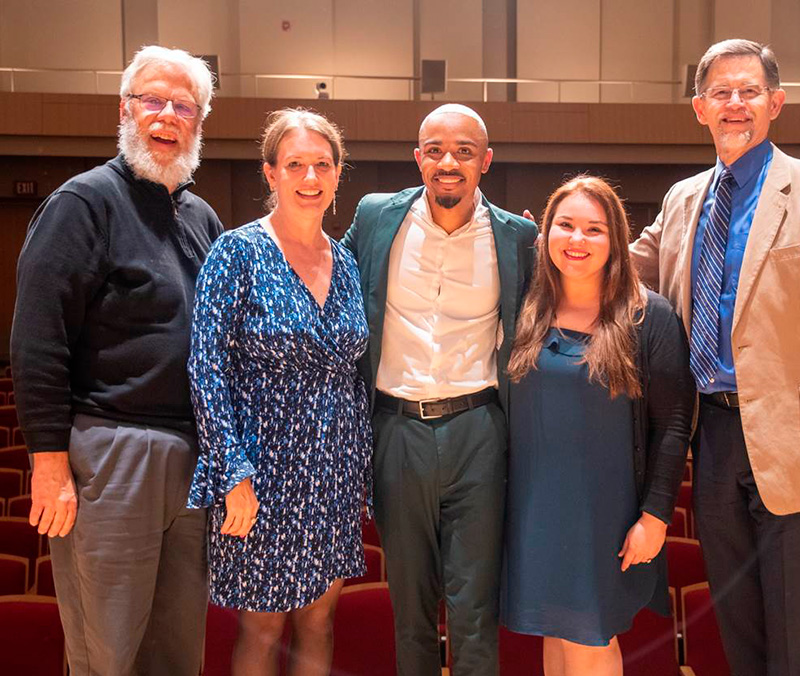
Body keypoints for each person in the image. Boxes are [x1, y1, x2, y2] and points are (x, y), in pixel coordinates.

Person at [630, 39, 800, 676]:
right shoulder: (684, 200)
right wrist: (549, 242)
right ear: (699, 108)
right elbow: (626, 273)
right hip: (712, 437)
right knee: (739, 637)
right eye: (721, 92)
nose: (736, 104)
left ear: (775, 103)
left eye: (749, 92)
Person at [10, 46, 220, 675]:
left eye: (183, 106)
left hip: (191, 456)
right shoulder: (84, 203)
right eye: (151, 100)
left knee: (178, 652)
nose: (166, 115)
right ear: (124, 109)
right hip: (110, 450)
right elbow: (39, 340)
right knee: (108, 654)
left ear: (199, 124)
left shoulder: (202, 219)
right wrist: (49, 464)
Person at [342, 103, 537, 676]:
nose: (448, 162)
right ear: (417, 157)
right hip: (395, 428)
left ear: (486, 162)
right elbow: (328, 286)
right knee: (410, 611)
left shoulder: (518, 236)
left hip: (479, 429)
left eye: (464, 151)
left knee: (475, 611)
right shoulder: (377, 217)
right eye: (434, 150)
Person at [187, 108, 371, 676]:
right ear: (271, 174)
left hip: (335, 470)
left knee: (319, 620)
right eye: (295, 164)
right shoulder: (237, 253)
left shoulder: (346, 260)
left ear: (339, 174)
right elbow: (205, 367)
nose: (310, 177)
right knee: (263, 625)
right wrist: (231, 472)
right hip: (261, 472)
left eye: (322, 164)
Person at [501, 176, 694, 675]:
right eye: (565, 226)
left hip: (603, 514)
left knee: (590, 637)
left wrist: (655, 518)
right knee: (556, 634)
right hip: (534, 507)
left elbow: (672, 425)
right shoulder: (526, 309)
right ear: (547, 234)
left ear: (616, 241)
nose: (578, 240)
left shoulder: (648, 316)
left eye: (595, 229)